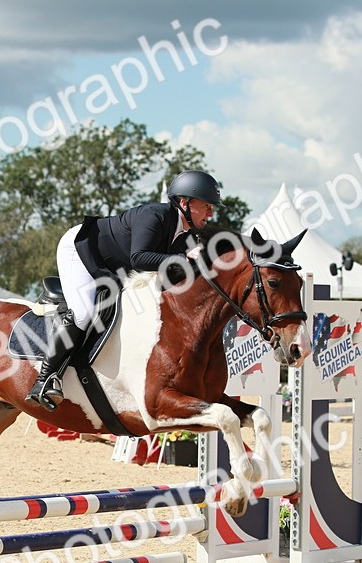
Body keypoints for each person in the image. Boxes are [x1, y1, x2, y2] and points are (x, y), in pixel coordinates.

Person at [24, 170, 222, 410]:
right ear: (184, 203)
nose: (211, 213)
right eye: (207, 206)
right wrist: (183, 258)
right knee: (84, 312)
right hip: (82, 251)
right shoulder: (154, 215)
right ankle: (45, 379)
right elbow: (139, 258)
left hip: (113, 268)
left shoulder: (187, 236)